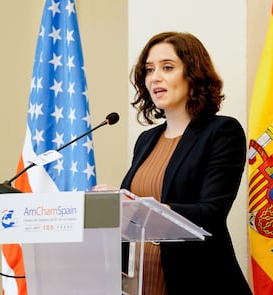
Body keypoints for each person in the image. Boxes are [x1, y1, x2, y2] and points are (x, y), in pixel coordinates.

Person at [93, 31, 252, 295]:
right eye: (149, 70)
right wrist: (114, 205)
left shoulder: (222, 132)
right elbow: (131, 222)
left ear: (193, 74)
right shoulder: (147, 140)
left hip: (195, 283)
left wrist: (137, 207)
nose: (155, 77)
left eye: (167, 67)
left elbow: (211, 214)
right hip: (138, 285)